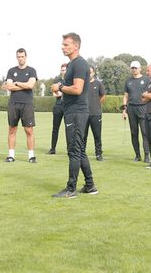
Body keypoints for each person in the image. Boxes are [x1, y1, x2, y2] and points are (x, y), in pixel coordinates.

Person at [51, 33, 97, 198]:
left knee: (74, 151)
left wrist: (60, 87)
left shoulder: (79, 64)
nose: (62, 47)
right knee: (79, 150)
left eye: (66, 45)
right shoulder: (71, 64)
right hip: (73, 111)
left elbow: (77, 89)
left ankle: (71, 189)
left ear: (76, 46)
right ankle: (90, 185)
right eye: (62, 45)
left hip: (77, 112)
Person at [2, 48, 38, 163]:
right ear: (16, 57)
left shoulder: (32, 70)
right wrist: (23, 85)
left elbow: (30, 85)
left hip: (27, 104)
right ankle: (11, 155)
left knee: (29, 130)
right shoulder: (11, 71)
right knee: (12, 129)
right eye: (19, 57)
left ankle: (31, 156)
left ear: (26, 57)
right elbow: (9, 86)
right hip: (13, 104)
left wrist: (16, 83)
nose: (20, 59)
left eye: (22, 56)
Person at [121, 61, 150, 163]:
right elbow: (125, 96)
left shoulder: (146, 79)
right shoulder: (128, 81)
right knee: (134, 133)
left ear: (140, 68)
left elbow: (149, 94)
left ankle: (147, 155)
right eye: (132, 68)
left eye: (136, 68)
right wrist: (124, 110)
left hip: (143, 108)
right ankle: (137, 155)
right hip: (131, 109)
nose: (134, 69)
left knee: (145, 133)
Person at [86, 66, 106, 161]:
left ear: (93, 73)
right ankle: (82, 153)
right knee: (82, 135)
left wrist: (97, 104)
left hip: (96, 113)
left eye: (90, 72)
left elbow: (103, 96)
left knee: (97, 135)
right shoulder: (83, 84)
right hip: (84, 114)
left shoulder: (98, 83)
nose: (88, 73)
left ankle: (98, 154)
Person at [47, 63, 67, 155]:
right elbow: (54, 94)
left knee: (69, 129)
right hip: (58, 106)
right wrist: (64, 92)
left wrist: (61, 92)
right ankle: (53, 148)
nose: (63, 72)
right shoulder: (57, 81)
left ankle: (70, 149)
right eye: (62, 70)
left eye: (65, 70)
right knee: (55, 128)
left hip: (68, 107)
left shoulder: (70, 80)